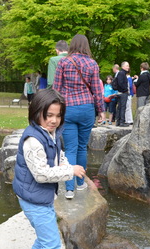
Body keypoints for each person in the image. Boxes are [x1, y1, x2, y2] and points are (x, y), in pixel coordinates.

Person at [13, 89, 86, 249]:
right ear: (36, 113)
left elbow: (58, 155)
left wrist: (66, 164)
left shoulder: (50, 133)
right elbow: (42, 173)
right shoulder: (33, 141)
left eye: (58, 115)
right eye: (49, 116)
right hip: (34, 199)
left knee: (45, 239)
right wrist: (70, 171)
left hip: (39, 198)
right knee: (52, 244)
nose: (54, 120)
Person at [53, 34, 105, 199]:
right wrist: (101, 111)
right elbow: (97, 90)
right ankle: (81, 183)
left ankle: (69, 189)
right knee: (82, 147)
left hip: (68, 109)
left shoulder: (64, 62)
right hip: (87, 109)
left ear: (72, 46)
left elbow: (56, 89)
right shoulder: (92, 64)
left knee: (70, 149)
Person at [114, 62, 129, 126]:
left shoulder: (121, 73)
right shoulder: (122, 73)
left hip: (120, 93)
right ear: (123, 67)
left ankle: (119, 121)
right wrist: (125, 89)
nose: (128, 67)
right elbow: (120, 83)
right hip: (122, 93)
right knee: (122, 107)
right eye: (127, 66)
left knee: (120, 107)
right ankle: (121, 122)